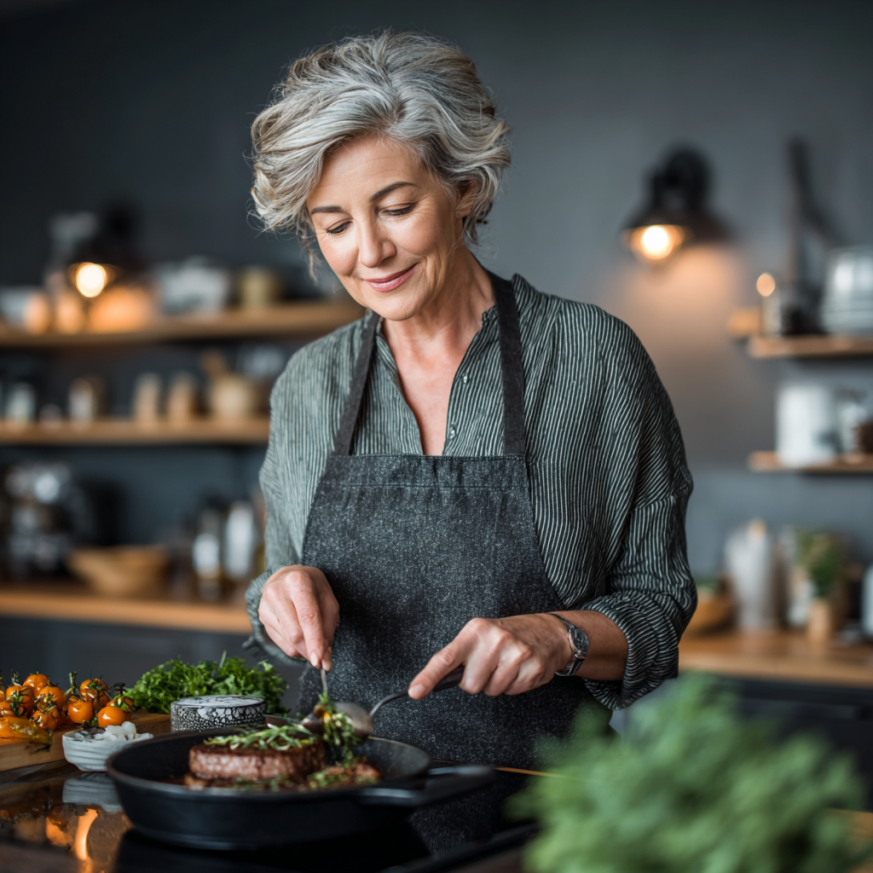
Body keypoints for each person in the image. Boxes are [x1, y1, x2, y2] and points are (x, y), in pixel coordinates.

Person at [245, 30, 696, 842]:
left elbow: (657, 607)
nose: (369, 251)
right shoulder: (308, 386)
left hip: (548, 823)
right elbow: (274, 588)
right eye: (333, 223)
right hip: (334, 814)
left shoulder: (590, 356)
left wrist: (557, 637)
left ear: (461, 184)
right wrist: (279, 596)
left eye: (395, 207)